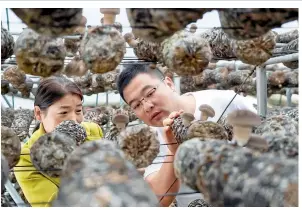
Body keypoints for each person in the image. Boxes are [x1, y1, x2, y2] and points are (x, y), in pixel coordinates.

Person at [117, 63, 257, 207]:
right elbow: (158, 199)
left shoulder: (227, 102)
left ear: (169, 84)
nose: (147, 106)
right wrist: (174, 151)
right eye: (136, 105)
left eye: (150, 93)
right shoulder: (150, 141)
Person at [14, 76, 103, 207]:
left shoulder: (94, 130)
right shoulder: (26, 158)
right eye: (63, 112)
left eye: (78, 110)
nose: (73, 119)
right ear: (39, 114)